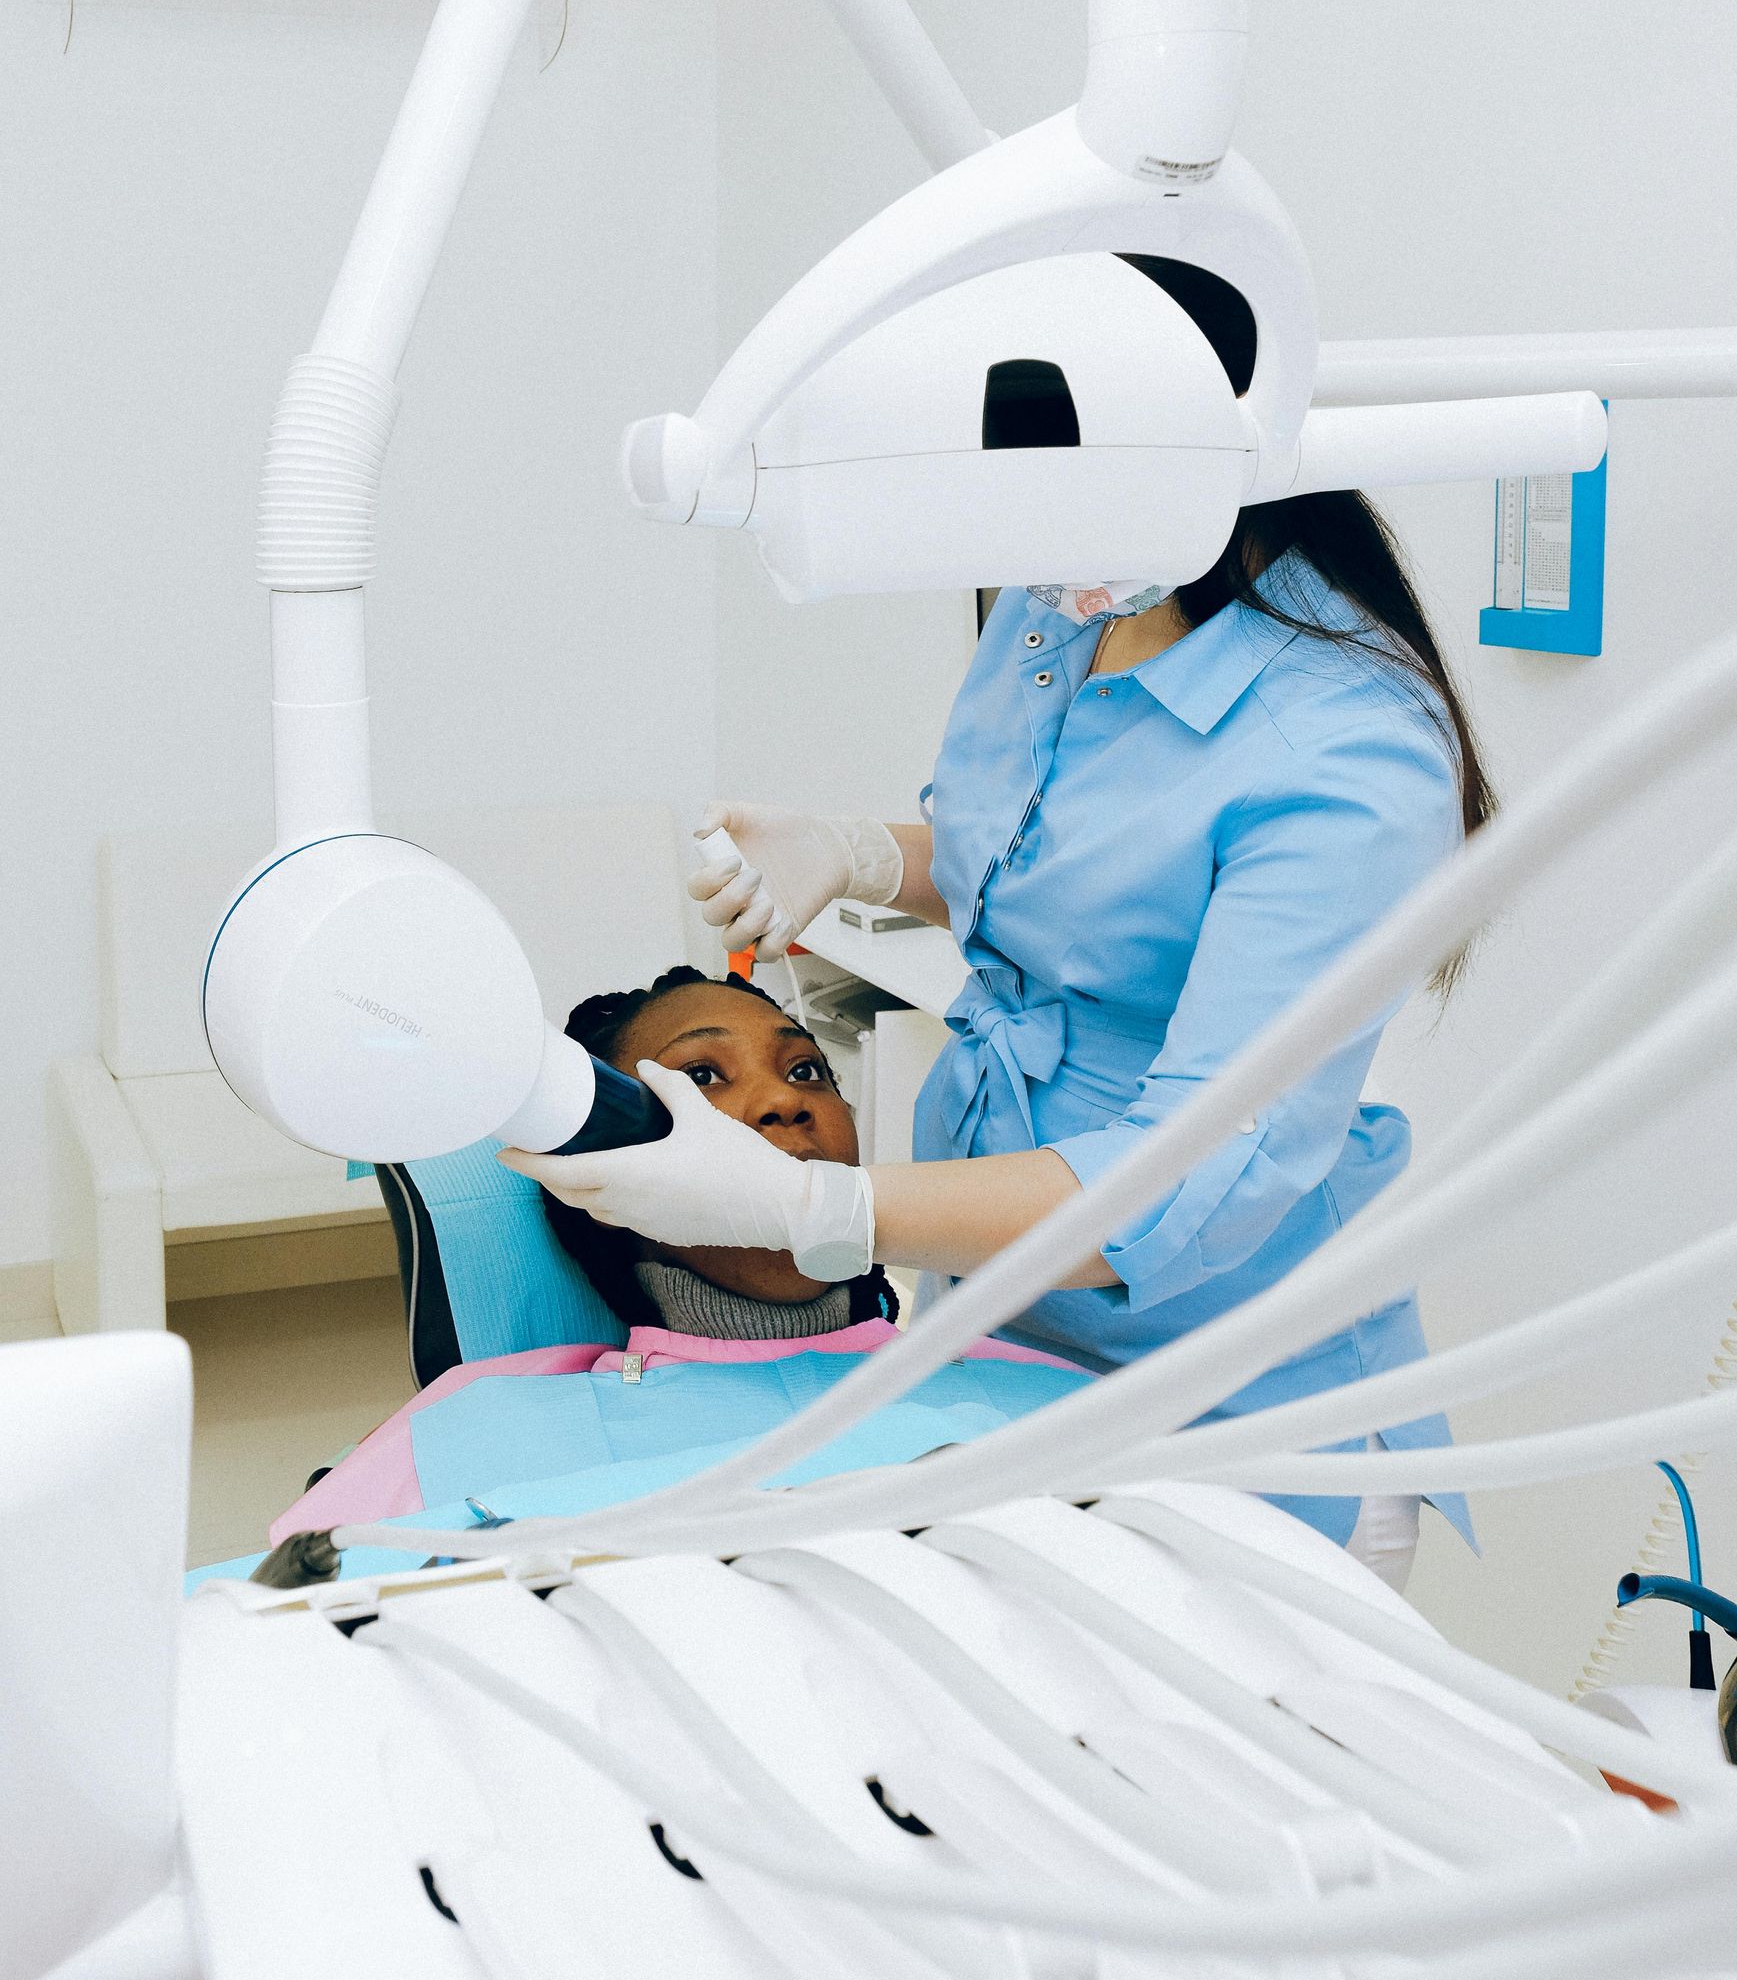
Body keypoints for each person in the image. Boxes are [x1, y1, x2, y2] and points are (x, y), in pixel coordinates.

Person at [510, 492, 1492, 1583]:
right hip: (997, 1351)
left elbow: (1190, 1180)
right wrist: (861, 854)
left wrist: (817, 1208)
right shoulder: (1078, 594)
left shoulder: (1349, 753)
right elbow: (1077, 882)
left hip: (1226, 1402)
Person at [531, 965, 898, 1341]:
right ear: (602, 1182)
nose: (784, 1099)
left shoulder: (936, 1360)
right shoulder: (537, 1386)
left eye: (803, 1071)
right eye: (701, 1076)